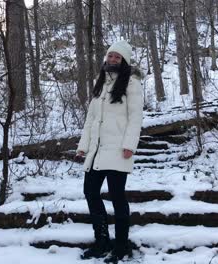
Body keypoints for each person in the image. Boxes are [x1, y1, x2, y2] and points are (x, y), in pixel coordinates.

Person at [76, 40, 143, 263]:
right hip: (96, 151)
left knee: (117, 197)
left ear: (124, 60)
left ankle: (121, 247)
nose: (113, 59)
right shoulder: (101, 84)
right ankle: (102, 241)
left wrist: (129, 146)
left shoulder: (132, 84)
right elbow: (90, 120)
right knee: (90, 192)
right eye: (110, 55)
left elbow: (135, 118)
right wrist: (83, 147)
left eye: (117, 57)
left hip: (117, 150)